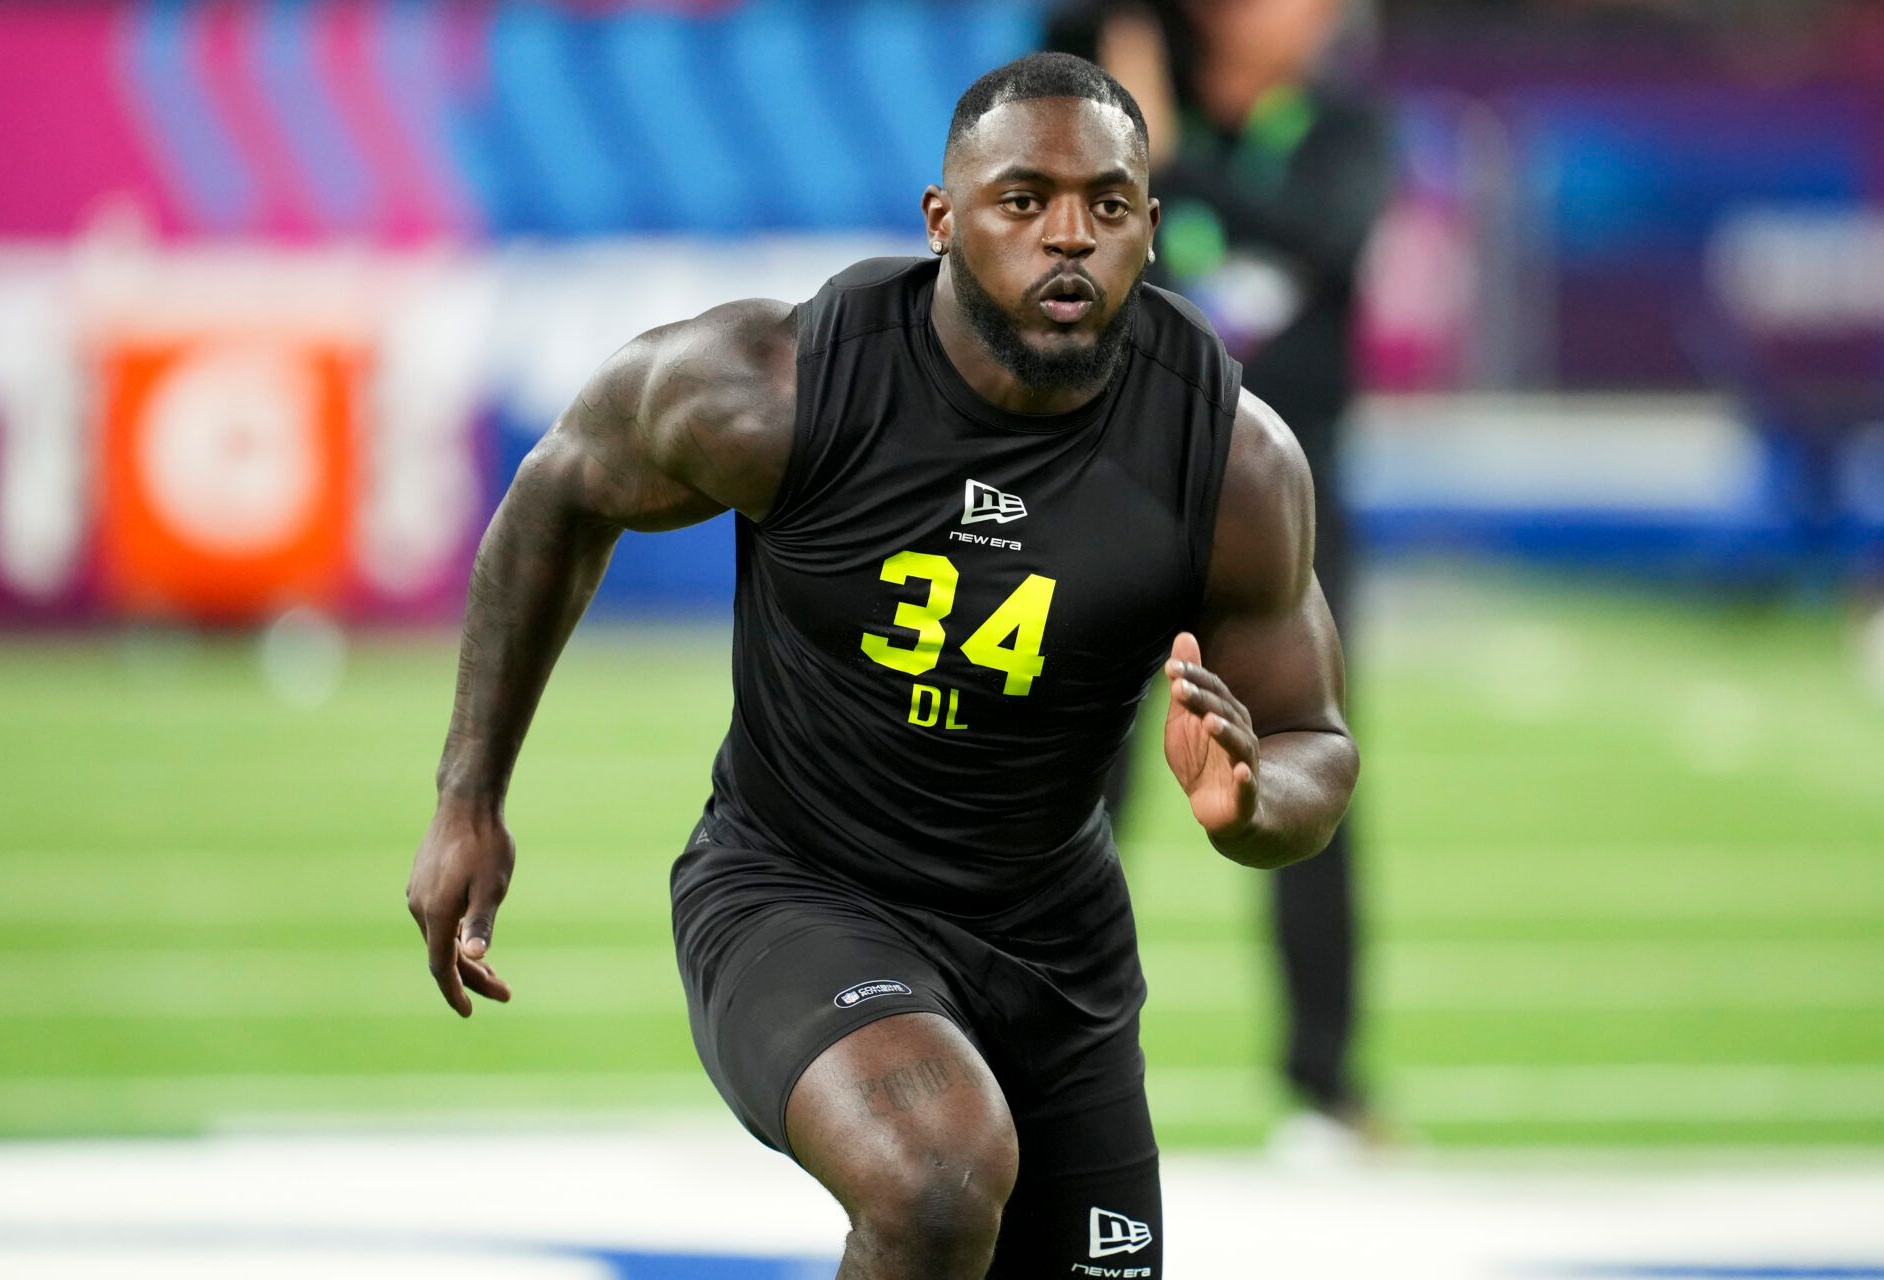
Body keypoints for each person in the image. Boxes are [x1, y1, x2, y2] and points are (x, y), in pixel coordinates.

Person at [406, 52, 1356, 1278]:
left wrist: (1251, 802)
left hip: (1054, 944)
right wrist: (469, 794)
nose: (1068, 237)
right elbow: (560, 490)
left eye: (1107, 206)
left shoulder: (1228, 459)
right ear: (943, 219)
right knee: (939, 1174)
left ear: (1152, 226)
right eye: (1024, 201)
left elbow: (1312, 740)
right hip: (800, 893)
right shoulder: (780, 383)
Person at [1049, 0, 1394, 1150]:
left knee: (1309, 772)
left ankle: (1325, 1086)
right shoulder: (1127, 117)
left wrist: (1168, 155)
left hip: (1288, 508)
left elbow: (1320, 242)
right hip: (1129, 489)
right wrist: (1133, 112)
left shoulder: (1342, 129)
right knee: (1076, 785)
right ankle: (1021, 1052)